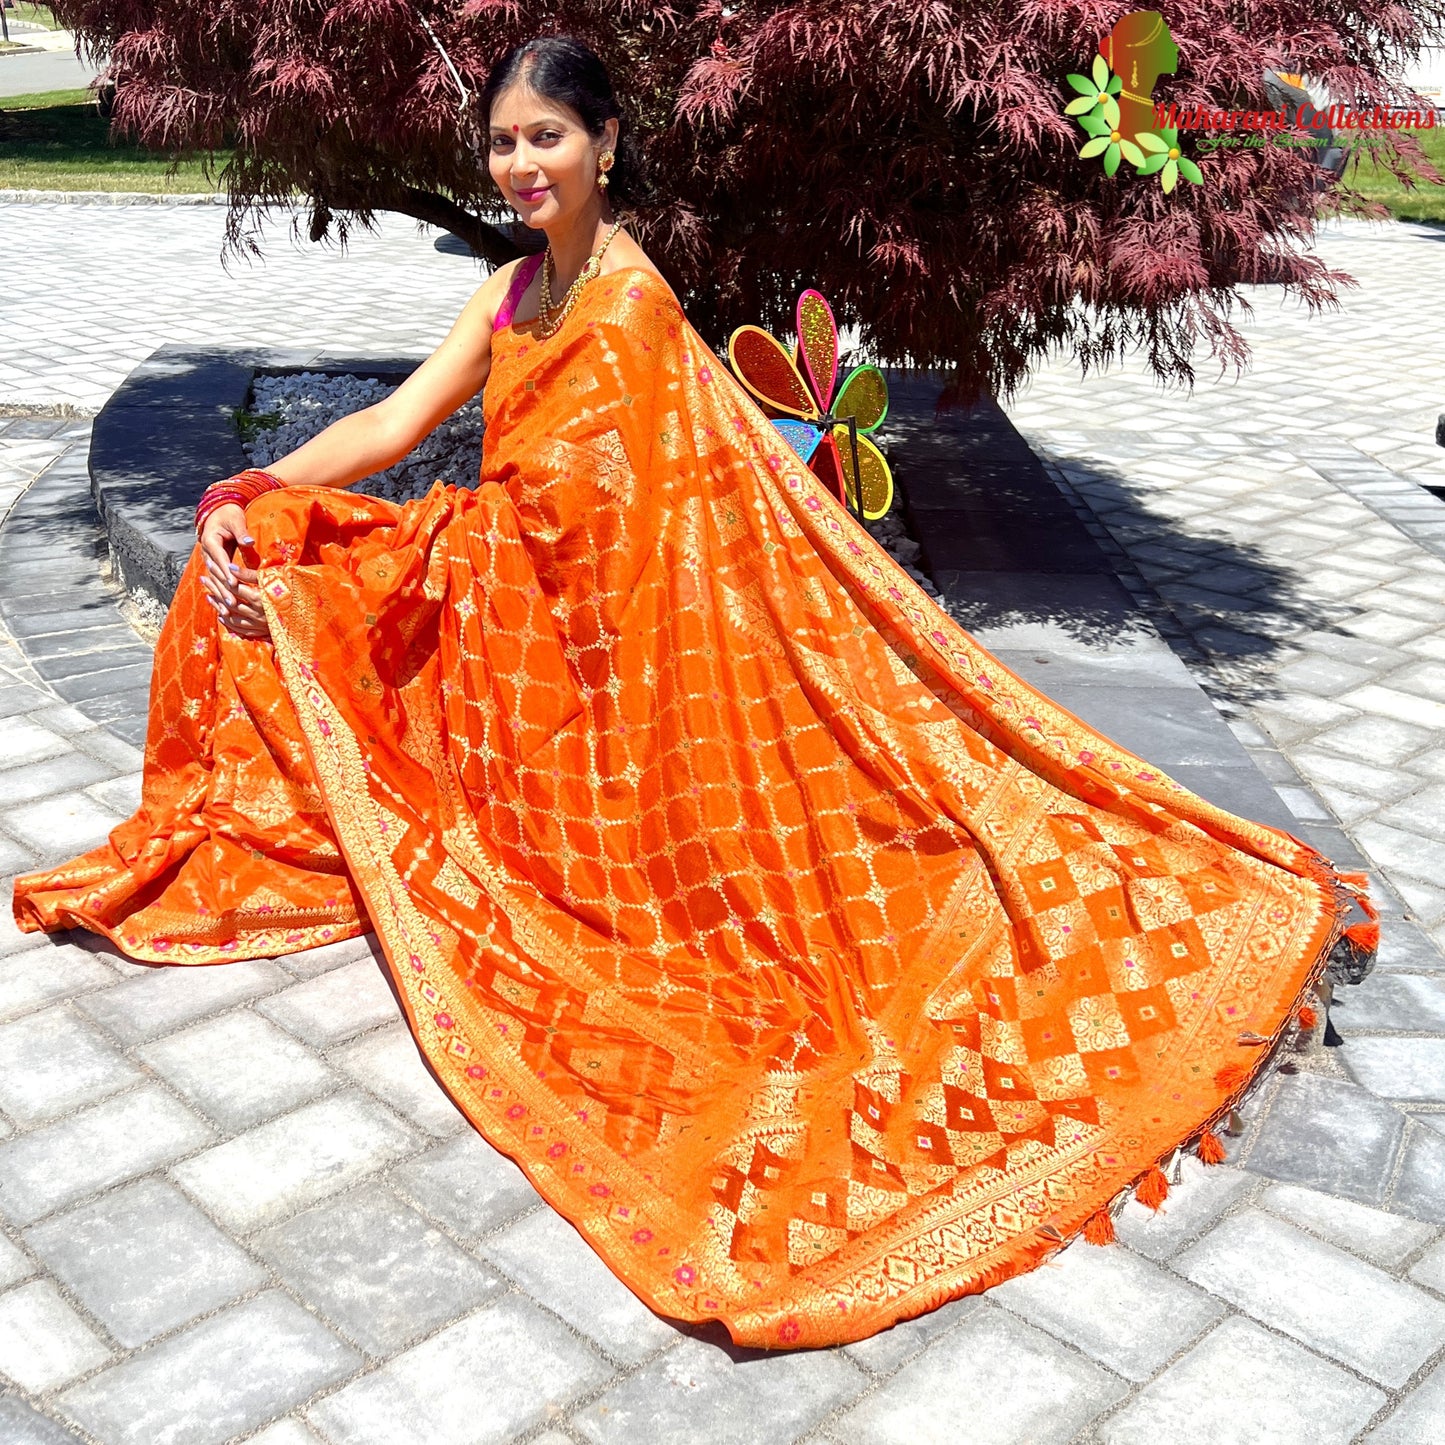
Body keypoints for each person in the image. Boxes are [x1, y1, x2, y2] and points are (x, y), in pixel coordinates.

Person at [12, 35, 1377, 1349]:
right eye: (501, 142)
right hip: (506, 596)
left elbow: (668, 513)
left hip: (608, 636)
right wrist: (252, 486)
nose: (519, 163)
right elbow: (394, 424)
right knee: (266, 544)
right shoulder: (505, 293)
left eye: (545, 136)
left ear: (604, 144)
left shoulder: (629, 298)